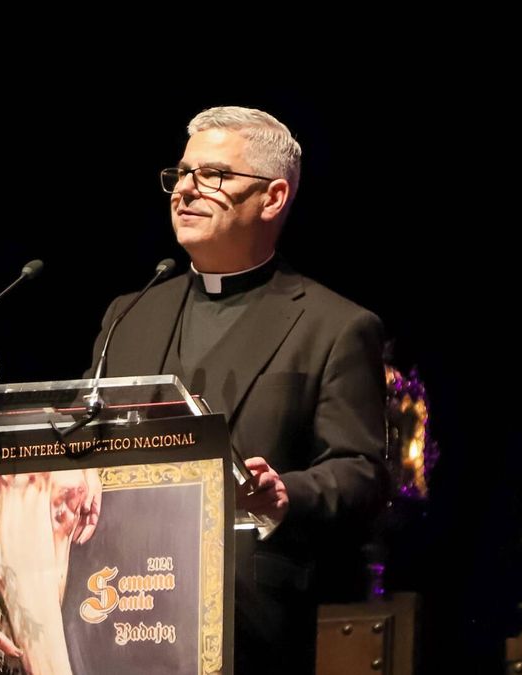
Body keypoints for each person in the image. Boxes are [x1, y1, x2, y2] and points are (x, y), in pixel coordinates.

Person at [87, 105, 388, 674]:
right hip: (111, 604)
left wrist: (284, 494)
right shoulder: (130, 315)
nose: (185, 190)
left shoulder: (334, 326)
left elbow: (362, 471)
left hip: (246, 620)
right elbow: (84, 440)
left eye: (214, 175)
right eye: (180, 173)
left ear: (273, 198)